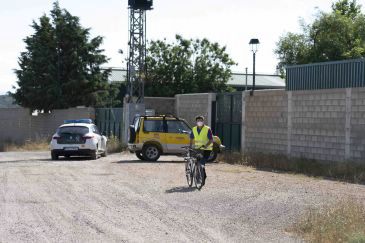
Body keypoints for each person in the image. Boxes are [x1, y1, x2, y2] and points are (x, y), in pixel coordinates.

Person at [190, 115, 213, 185]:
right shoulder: (194, 129)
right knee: (197, 163)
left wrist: (206, 145)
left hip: (206, 149)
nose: (199, 122)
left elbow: (211, 140)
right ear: (196, 122)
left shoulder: (207, 129)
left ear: (203, 121)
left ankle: (203, 177)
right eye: (198, 121)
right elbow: (191, 138)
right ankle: (199, 177)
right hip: (198, 149)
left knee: (201, 163)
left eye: (201, 120)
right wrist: (190, 147)